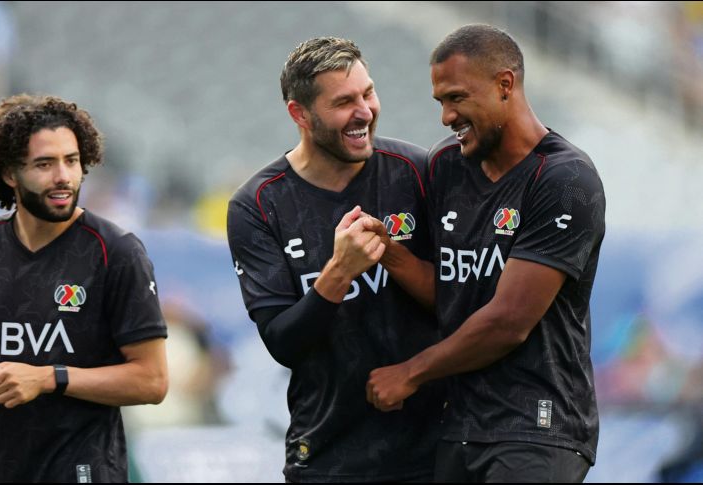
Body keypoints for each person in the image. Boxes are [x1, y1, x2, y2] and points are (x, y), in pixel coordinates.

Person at [363, 24, 606, 482]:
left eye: (456, 98)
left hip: (536, 426)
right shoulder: (445, 166)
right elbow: (450, 293)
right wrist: (387, 252)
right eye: (440, 102)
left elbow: (508, 322)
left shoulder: (565, 181)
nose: (446, 116)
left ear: (504, 85)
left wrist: (410, 373)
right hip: (458, 424)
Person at [226, 37, 442, 482]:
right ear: (300, 114)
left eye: (368, 93)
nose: (364, 112)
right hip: (330, 454)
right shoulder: (259, 204)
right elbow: (283, 343)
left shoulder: (418, 171)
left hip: (435, 449)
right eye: (344, 102)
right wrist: (339, 272)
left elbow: (461, 300)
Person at [0, 94, 168, 482]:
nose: (63, 176)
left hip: (83, 469)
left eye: (72, 161)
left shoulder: (115, 250)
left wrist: (49, 377)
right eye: (45, 164)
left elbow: (152, 380)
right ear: (10, 174)